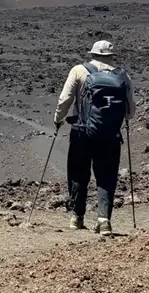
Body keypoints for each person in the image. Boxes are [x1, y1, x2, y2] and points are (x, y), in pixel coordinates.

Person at [53, 39, 135, 235]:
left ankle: (76, 217)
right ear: (111, 55)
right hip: (110, 135)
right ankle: (104, 219)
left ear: (93, 54)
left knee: (78, 172)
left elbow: (65, 99)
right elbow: (130, 111)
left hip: (82, 131)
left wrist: (59, 119)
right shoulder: (123, 75)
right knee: (106, 176)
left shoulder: (79, 71)